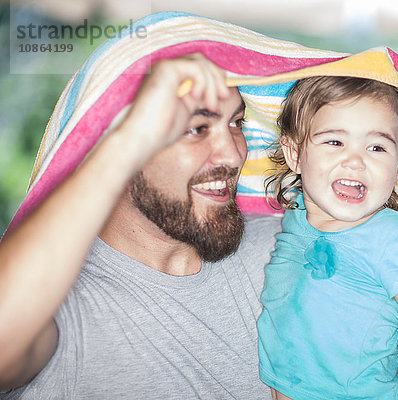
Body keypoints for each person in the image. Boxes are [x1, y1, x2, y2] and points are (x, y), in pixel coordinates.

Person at [0, 52, 279, 398]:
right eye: (196, 128)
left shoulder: (284, 246)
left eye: (236, 123)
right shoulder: (58, 300)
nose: (235, 155)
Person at [257, 76, 398, 400]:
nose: (355, 161)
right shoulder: (295, 217)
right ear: (295, 154)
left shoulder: (395, 240)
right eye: (334, 142)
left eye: (376, 147)